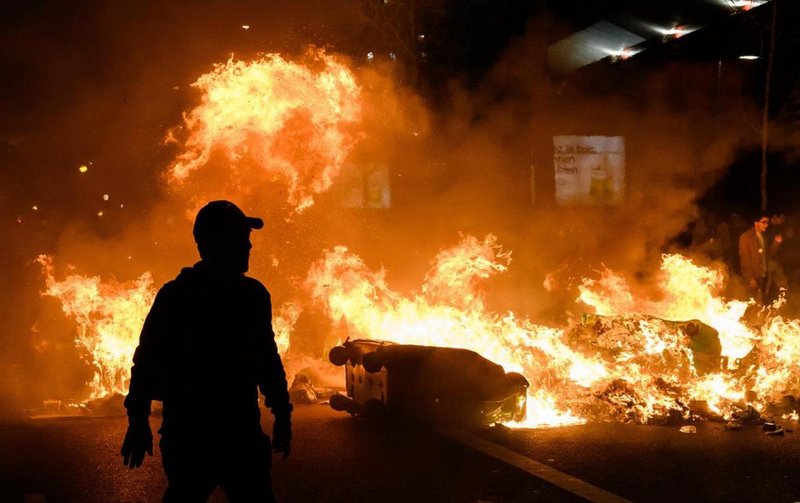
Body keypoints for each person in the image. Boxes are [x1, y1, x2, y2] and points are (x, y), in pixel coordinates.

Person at [120, 200, 292, 502]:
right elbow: (266, 360)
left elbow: (145, 362)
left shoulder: (178, 295)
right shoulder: (248, 296)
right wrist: (281, 412)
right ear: (216, 243)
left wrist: (138, 421)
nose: (248, 246)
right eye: (241, 238)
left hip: (192, 437)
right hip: (228, 436)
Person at [739, 214, 781, 304]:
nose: (766, 225)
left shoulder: (762, 237)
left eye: (767, 222)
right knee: (749, 303)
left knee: (759, 303)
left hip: (761, 276)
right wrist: (751, 278)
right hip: (752, 278)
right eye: (764, 222)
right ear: (756, 222)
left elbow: (767, 256)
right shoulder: (746, 237)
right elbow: (745, 259)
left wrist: (775, 243)